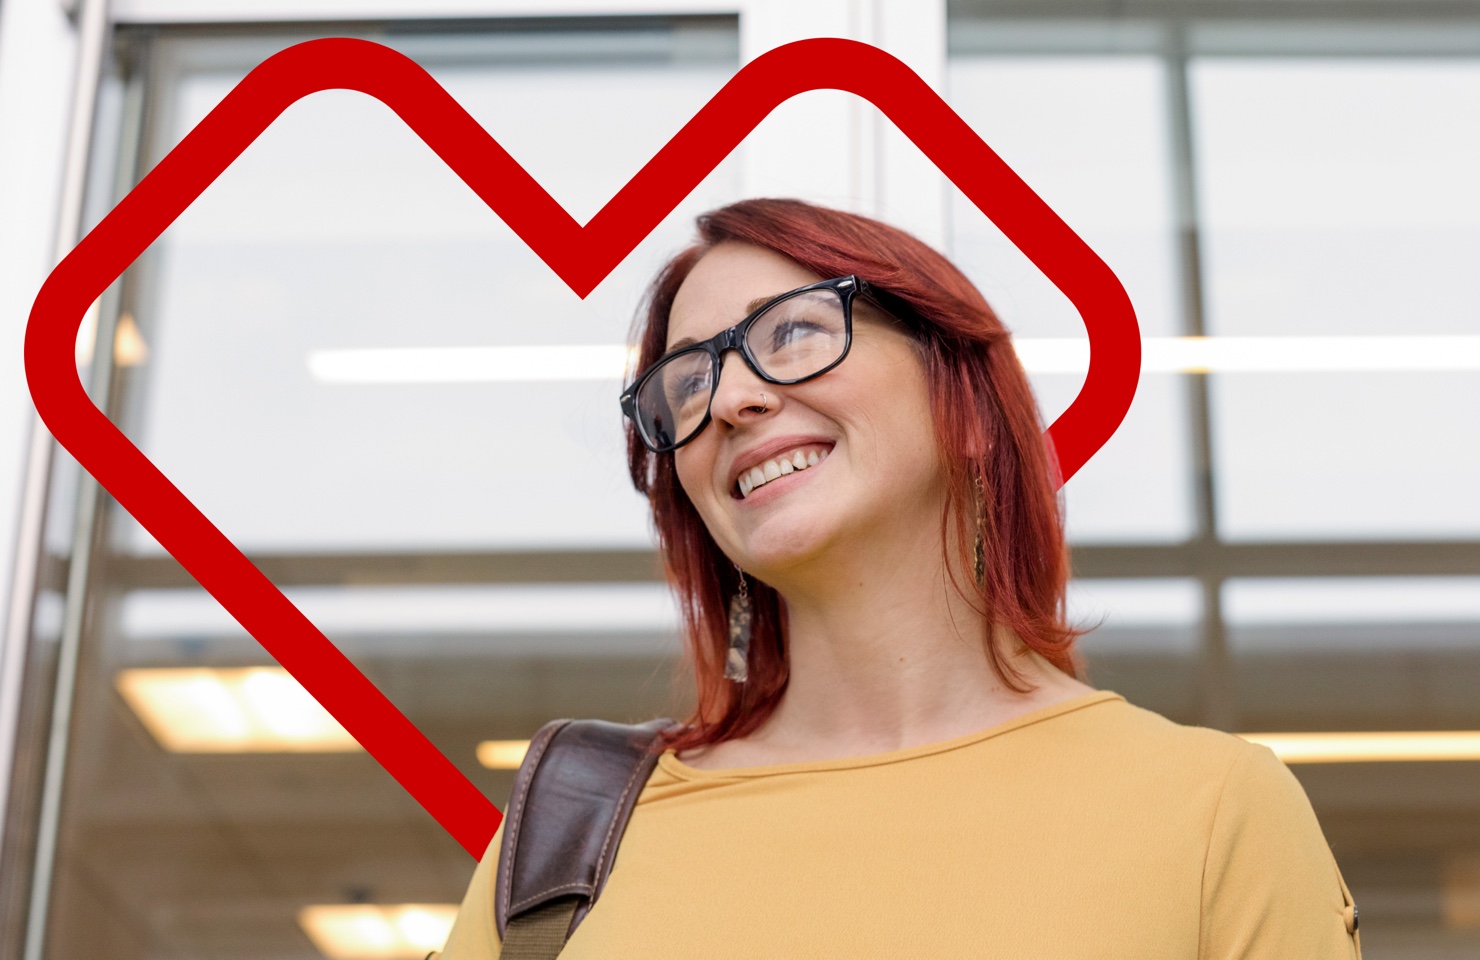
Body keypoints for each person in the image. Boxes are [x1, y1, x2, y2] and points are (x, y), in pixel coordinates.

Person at [437, 198, 1362, 959]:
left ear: (962, 398)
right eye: (686, 384)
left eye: (794, 332)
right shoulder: (566, 841)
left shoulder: (1211, 811)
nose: (730, 399)